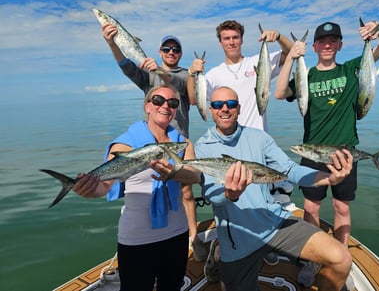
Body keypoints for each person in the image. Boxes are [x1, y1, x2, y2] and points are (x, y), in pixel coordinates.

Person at [275, 20, 379, 288]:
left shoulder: (354, 69)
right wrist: (291, 59)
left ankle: (342, 253)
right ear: (315, 46)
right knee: (311, 206)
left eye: (333, 41)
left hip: (345, 152)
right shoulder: (306, 75)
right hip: (313, 151)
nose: (327, 45)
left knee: (342, 206)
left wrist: (378, 31)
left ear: (340, 45)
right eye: (322, 42)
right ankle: (311, 257)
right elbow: (279, 92)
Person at [195, 86, 354, 291]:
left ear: (239, 108)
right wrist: (229, 194)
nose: (224, 109)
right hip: (238, 238)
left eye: (231, 104)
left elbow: (289, 169)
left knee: (341, 258)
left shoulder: (258, 138)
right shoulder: (203, 147)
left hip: (274, 223)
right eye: (218, 105)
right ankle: (218, 250)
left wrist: (328, 178)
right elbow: (211, 195)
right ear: (211, 109)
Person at [72, 85, 202, 291]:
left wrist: (174, 173)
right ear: (147, 106)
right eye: (158, 100)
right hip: (137, 240)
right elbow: (105, 185)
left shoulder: (183, 143)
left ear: (176, 110)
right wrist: (88, 190)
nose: (165, 106)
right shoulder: (125, 145)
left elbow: (195, 175)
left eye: (172, 103)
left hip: (176, 235)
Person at [187, 20, 293, 267]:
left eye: (235, 37)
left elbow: (289, 54)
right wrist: (193, 74)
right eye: (226, 38)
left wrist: (278, 37)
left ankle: (263, 241)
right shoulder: (212, 74)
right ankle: (225, 246)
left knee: (262, 196)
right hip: (226, 147)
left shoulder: (257, 62)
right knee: (228, 203)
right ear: (220, 42)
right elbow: (194, 99)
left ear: (242, 39)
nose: (231, 42)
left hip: (256, 144)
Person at [101, 24, 207, 262]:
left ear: (179, 53)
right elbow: (126, 67)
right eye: (167, 48)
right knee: (149, 186)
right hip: (153, 141)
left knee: (186, 191)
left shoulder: (184, 75)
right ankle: (147, 237)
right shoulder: (148, 75)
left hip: (178, 142)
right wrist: (112, 44)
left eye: (175, 49)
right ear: (160, 51)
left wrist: (161, 69)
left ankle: (193, 235)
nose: (171, 52)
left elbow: (180, 87)